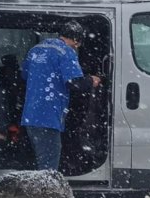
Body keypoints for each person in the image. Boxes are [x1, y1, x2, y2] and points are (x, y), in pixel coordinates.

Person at [21, 20, 101, 170]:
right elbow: (74, 83)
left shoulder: (35, 49)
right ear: (76, 40)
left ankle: (38, 190)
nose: (77, 47)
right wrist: (92, 80)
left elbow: (25, 75)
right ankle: (45, 192)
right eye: (78, 43)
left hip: (30, 115)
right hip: (49, 116)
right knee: (49, 165)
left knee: (39, 158)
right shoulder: (66, 52)